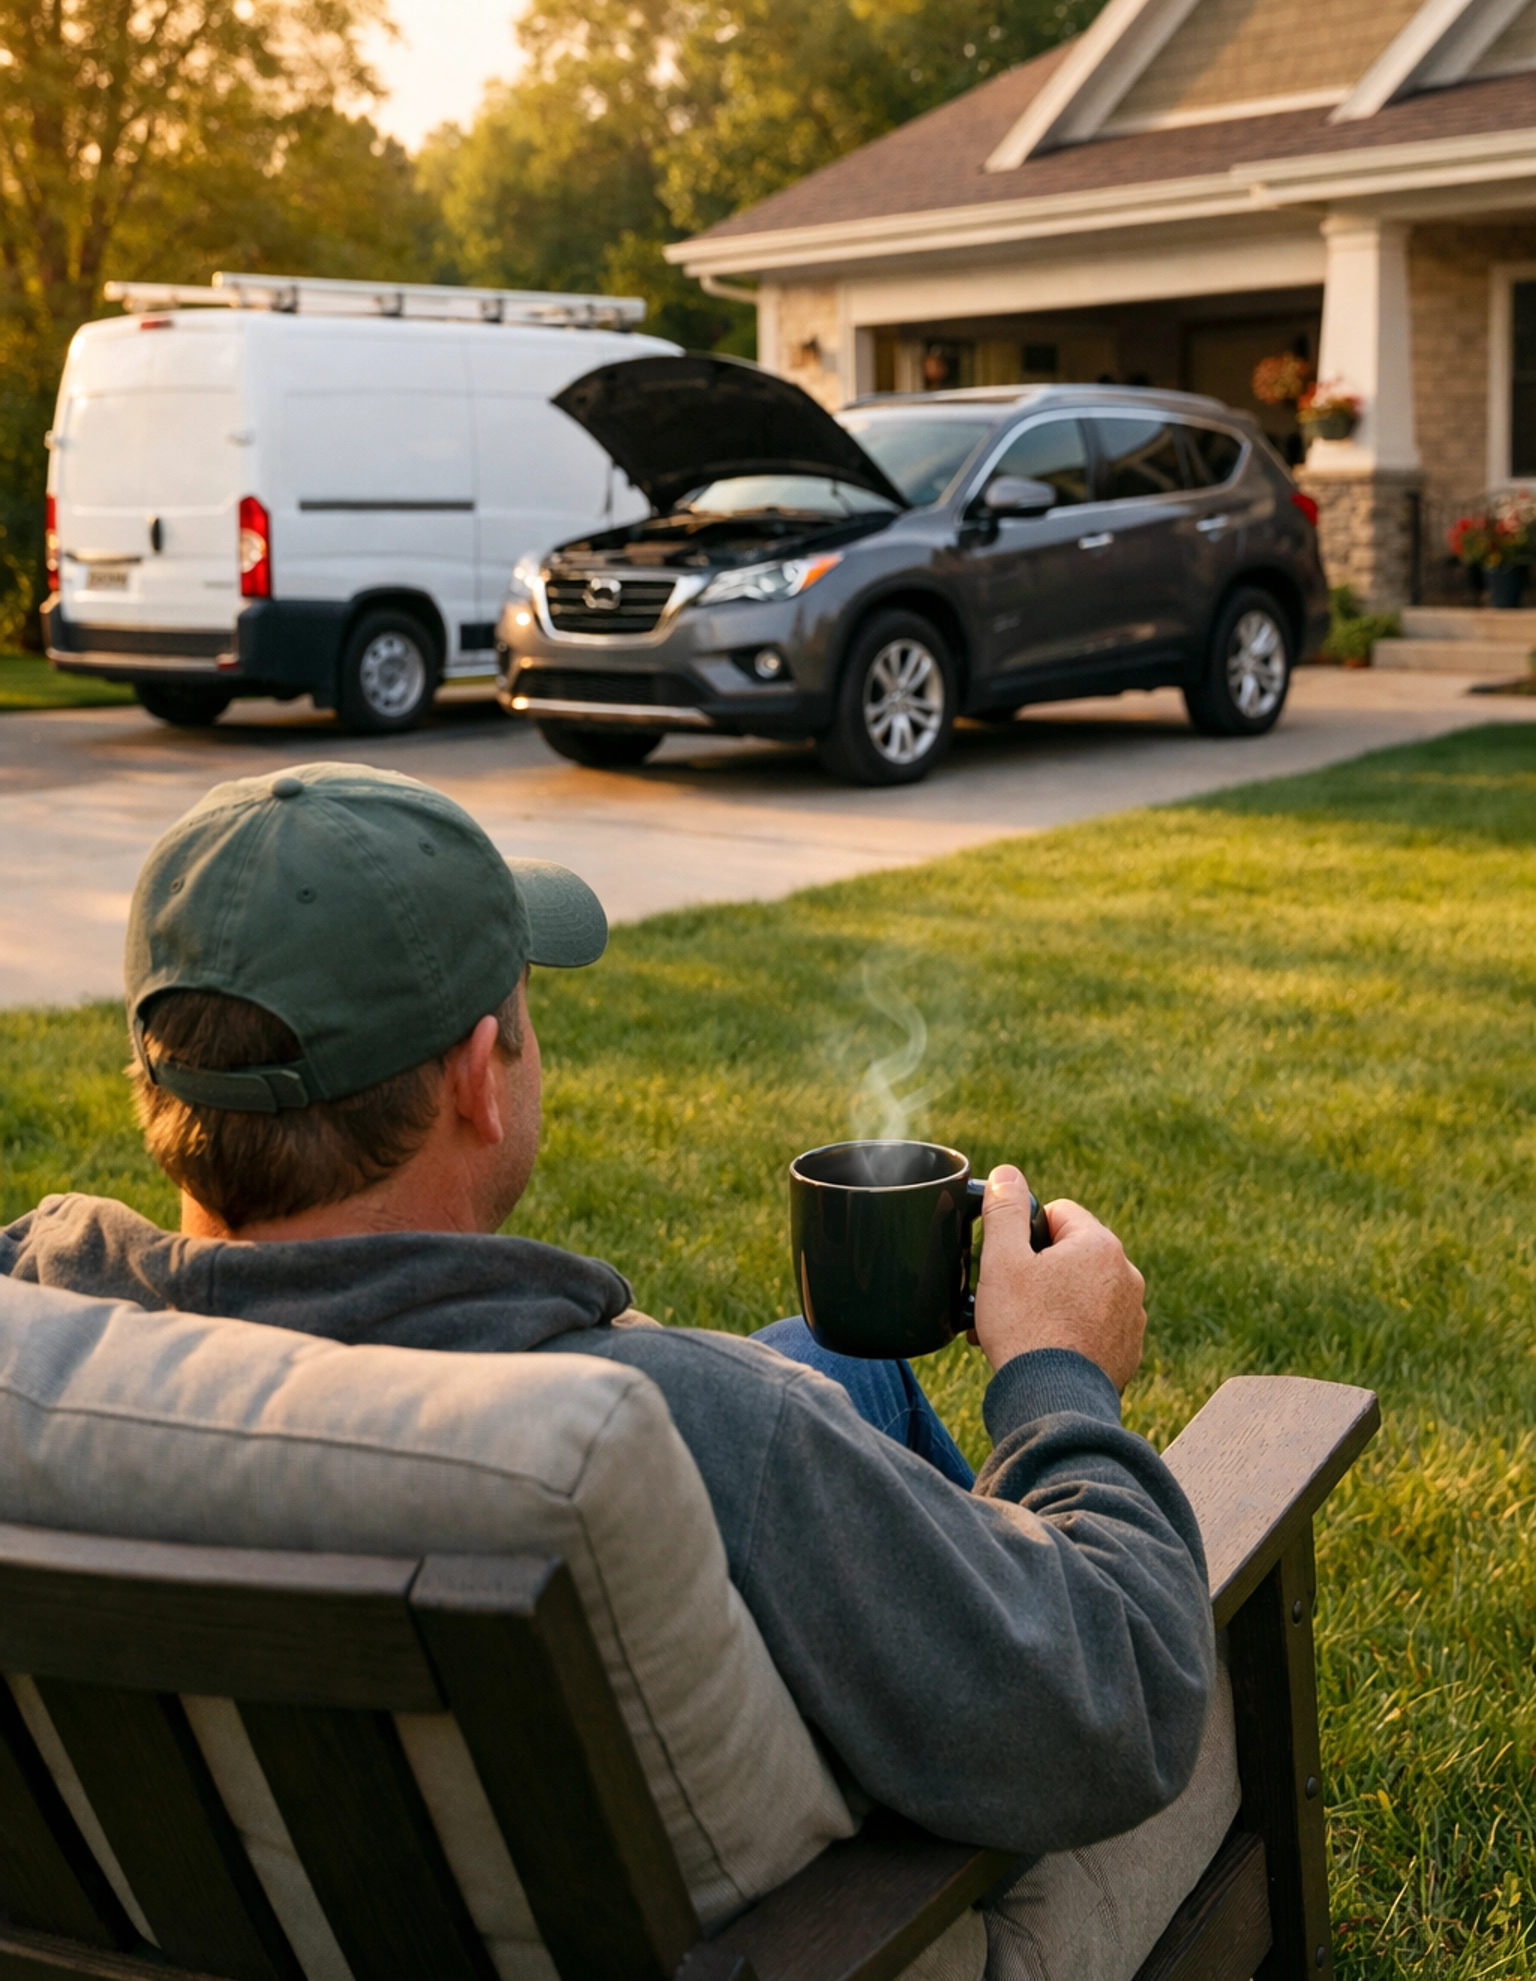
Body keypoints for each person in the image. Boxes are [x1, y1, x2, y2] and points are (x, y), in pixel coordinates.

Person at [2, 761, 1217, 1900]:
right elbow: (1114, 1703)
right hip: (831, 1931)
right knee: (825, 1396)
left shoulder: (44, 1315)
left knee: (845, 1365)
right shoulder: (695, 1436)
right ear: (481, 1074)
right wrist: (1058, 1378)